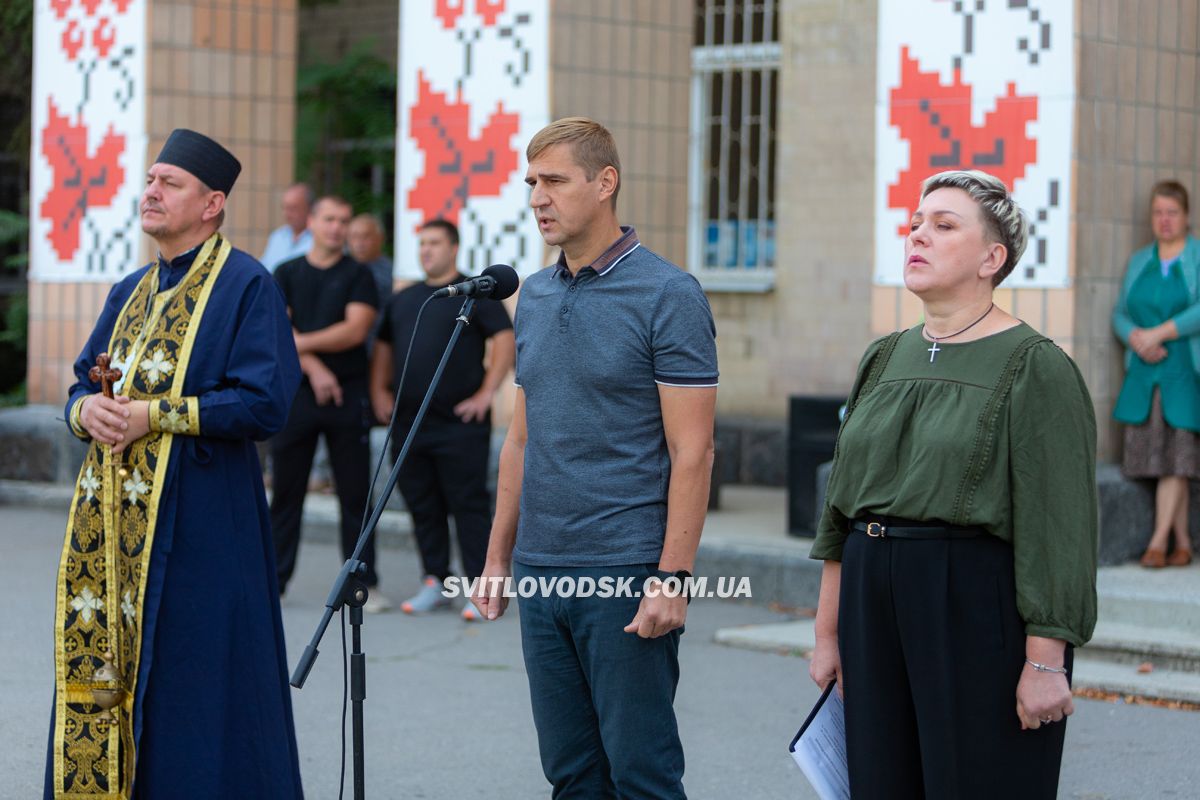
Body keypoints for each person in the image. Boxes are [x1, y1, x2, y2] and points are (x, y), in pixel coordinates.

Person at [808, 170, 1098, 800]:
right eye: (916, 222)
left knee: (975, 781)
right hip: (870, 596)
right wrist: (828, 633)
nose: (919, 235)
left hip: (968, 601)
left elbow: (1060, 526)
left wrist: (1046, 662)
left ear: (992, 259)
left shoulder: (1035, 364)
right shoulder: (883, 356)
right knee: (881, 783)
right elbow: (840, 510)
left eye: (944, 226)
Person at [46, 129, 304, 798]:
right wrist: (87, 413)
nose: (151, 191)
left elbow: (264, 402)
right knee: (109, 680)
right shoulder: (130, 289)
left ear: (212, 202)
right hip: (109, 537)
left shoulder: (248, 284)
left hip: (203, 526)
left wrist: (153, 415)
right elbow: (84, 382)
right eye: (150, 180)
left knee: (200, 689)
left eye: (170, 183)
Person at [473, 118, 718, 797]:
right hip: (541, 567)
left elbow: (692, 450)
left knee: (641, 775)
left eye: (554, 181)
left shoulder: (669, 294)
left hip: (623, 564)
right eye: (531, 184)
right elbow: (521, 438)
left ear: (605, 183)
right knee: (572, 776)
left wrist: (674, 574)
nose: (537, 199)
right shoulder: (534, 295)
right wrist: (498, 558)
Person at [369, 219, 514, 620]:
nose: (426, 250)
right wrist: (379, 390)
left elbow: (504, 341)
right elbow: (384, 345)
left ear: (453, 248)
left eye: (434, 243)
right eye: (422, 244)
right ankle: (435, 579)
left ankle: (477, 586)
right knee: (422, 503)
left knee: (467, 503)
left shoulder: (476, 294)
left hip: (459, 423)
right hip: (411, 422)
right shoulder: (410, 298)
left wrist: (486, 393)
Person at [270, 196, 386, 610]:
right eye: (330, 219)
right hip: (296, 394)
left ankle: (361, 584)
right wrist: (314, 368)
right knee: (286, 491)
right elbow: (274, 327)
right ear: (313, 222)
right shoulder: (286, 272)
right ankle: (275, 582)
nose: (337, 227)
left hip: (347, 395)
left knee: (355, 494)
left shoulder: (359, 275)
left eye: (344, 220)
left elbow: (354, 331)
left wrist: (298, 344)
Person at [1112, 180, 1200, 568]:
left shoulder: (1196, 256)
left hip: (1183, 370)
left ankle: (1157, 541)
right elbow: (1119, 312)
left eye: (1172, 213)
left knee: (1178, 456)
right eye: (1158, 213)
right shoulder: (1138, 260)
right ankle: (1183, 541)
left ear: (1186, 216)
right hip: (1145, 373)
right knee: (1161, 458)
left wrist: (1160, 333)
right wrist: (1135, 337)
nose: (1164, 221)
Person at [261, 182, 313, 272]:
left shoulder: (320, 239)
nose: (286, 214)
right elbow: (263, 268)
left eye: (293, 208)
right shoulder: (277, 236)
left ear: (309, 209)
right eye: (284, 208)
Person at [349, 213, 396, 307]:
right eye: (354, 236)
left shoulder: (392, 272)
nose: (359, 243)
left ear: (380, 238)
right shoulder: (339, 267)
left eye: (366, 236)